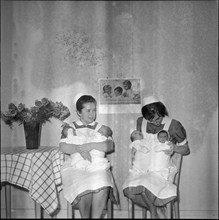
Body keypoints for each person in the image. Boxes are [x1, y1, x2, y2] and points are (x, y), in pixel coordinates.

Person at [123, 95, 190, 218]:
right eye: (151, 120)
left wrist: (173, 147)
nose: (155, 122)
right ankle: (157, 212)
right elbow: (140, 141)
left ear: (162, 111)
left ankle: (154, 214)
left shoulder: (174, 125)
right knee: (129, 190)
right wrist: (135, 147)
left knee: (144, 186)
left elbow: (186, 149)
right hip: (142, 170)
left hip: (161, 172)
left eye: (158, 118)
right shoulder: (140, 122)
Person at [59, 95, 119, 218]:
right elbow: (63, 147)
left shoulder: (101, 128)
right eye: (88, 111)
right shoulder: (70, 128)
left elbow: (109, 146)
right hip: (76, 167)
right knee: (81, 183)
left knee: (102, 180)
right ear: (78, 112)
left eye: (94, 110)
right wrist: (78, 149)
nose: (92, 114)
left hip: (97, 167)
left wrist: (90, 145)